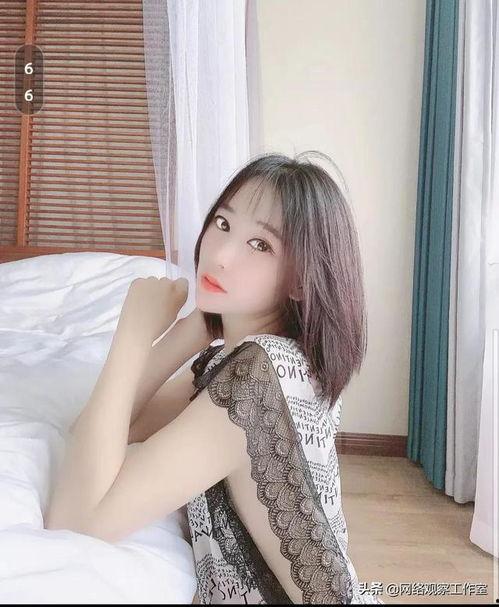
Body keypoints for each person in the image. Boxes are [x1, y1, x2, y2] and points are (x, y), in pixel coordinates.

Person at [45, 151, 384, 605]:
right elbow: (109, 428)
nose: (220, 255)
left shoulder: (258, 375)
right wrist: (188, 332)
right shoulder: (263, 360)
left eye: (260, 245)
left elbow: (74, 523)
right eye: (223, 224)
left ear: (301, 282)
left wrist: (132, 335)